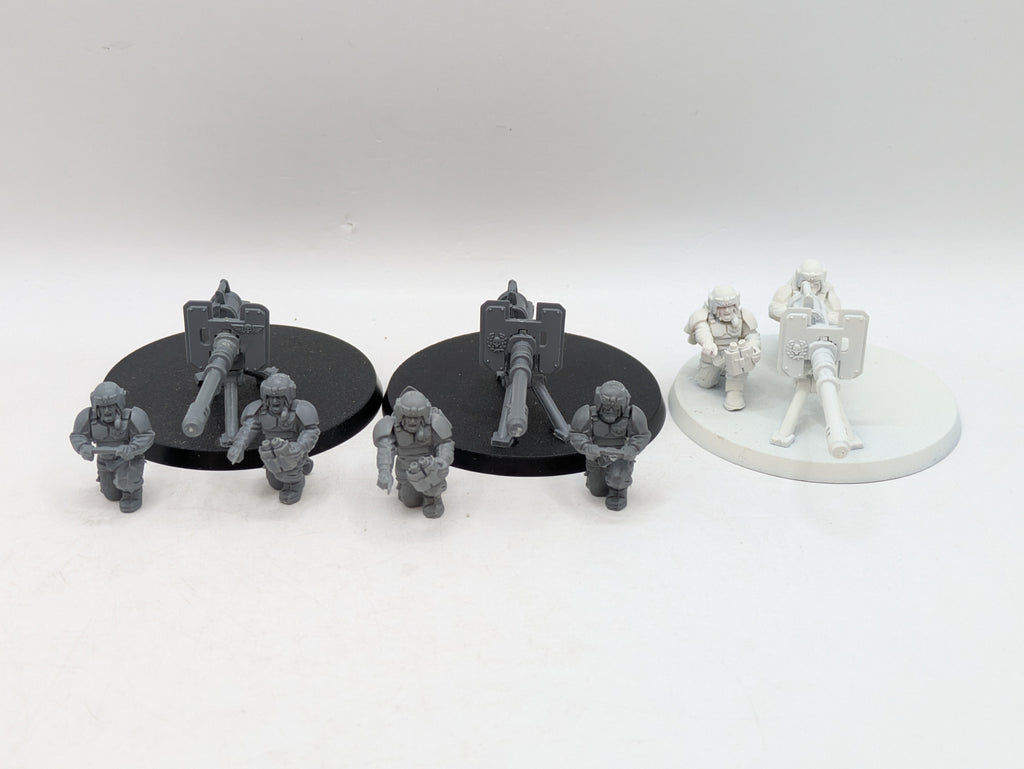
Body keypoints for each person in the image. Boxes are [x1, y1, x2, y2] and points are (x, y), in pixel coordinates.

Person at [227, 373, 320, 504]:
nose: (275, 401)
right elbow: (248, 428)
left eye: (279, 397)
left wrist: (300, 447)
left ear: (288, 396)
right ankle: (303, 464)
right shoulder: (260, 411)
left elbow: (311, 430)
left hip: (292, 449)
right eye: (271, 397)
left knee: (287, 473)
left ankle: (295, 485)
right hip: (271, 452)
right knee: (275, 484)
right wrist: (239, 445)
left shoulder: (300, 409)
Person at [70, 381, 155, 513]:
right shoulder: (87, 418)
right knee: (111, 495)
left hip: (126, 460)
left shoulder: (133, 417)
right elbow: (78, 436)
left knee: (126, 483)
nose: (107, 411)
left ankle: (133, 493)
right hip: (104, 460)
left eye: (110, 406)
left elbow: (146, 436)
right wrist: (83, 447)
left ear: (119, 404)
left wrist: (132, 448)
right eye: (103, 407)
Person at [568, 381, 651, 511]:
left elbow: (642, 435)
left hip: (621, 456)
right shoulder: (587, 414)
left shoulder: (633, 415)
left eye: (615, 408)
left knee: (618, 478)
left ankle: (618, 493)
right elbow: (576, 434)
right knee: (597, 491)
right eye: (606, 407)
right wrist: (586, 446)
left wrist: (633, 448)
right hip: (596, 456)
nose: (611, 411)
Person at [373, 387, 454, 518]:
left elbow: (444, 443)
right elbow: (385, 450)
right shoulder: (392, 426)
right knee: (410, 502)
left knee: (432, 486)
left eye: (416, 418)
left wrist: (443, 459)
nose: (412, 422)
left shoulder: (433, 423)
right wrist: (384, 472)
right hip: (405, 471)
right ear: (400, 415)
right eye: (408, 417)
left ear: (423, 417)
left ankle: (433, 498)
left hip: (429, 468)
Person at [684, 285, 761, 411]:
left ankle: (734, 394)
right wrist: (707, 344)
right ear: (714, 306)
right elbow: (702, 332)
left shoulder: (743, 316)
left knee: (738, 367)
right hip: (713, 357)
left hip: (735, 358)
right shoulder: (704, 317)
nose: (727, 311)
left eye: (731, 306)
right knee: (704, 383)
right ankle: (717, 373)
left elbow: (752, 335)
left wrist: (753, 347)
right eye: (722, 307)